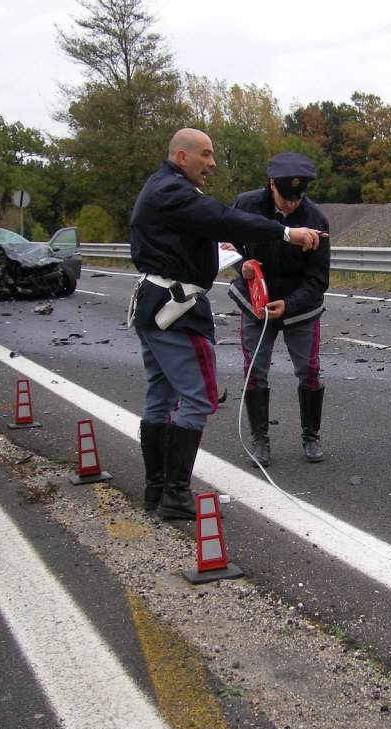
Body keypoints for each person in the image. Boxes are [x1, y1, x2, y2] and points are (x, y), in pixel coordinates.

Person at [130, 128, 325, 523]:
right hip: (177, 310)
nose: (213, 162)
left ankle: (158, 490)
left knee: (161, 396)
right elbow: (223, 220)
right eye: (206, 154)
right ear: (182, 157)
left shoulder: (163, 186)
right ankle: (176, 494)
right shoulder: (172, 191)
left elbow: (213, 228)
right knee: (199, 398)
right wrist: (285, 234)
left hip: (157, 303)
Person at [226, 152, 331, 465]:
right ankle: (260, 439)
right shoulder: (246, 206)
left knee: (309, 371)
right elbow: (227, 244)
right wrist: (241, 265)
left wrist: (290, 305)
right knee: (255, 371)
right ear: (271, 185)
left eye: (297, 198)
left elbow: (318, 280)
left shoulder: (316, 220)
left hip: (299, 309)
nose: (291, 205)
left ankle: (311, 436)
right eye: (285, 197)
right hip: (254, 304)